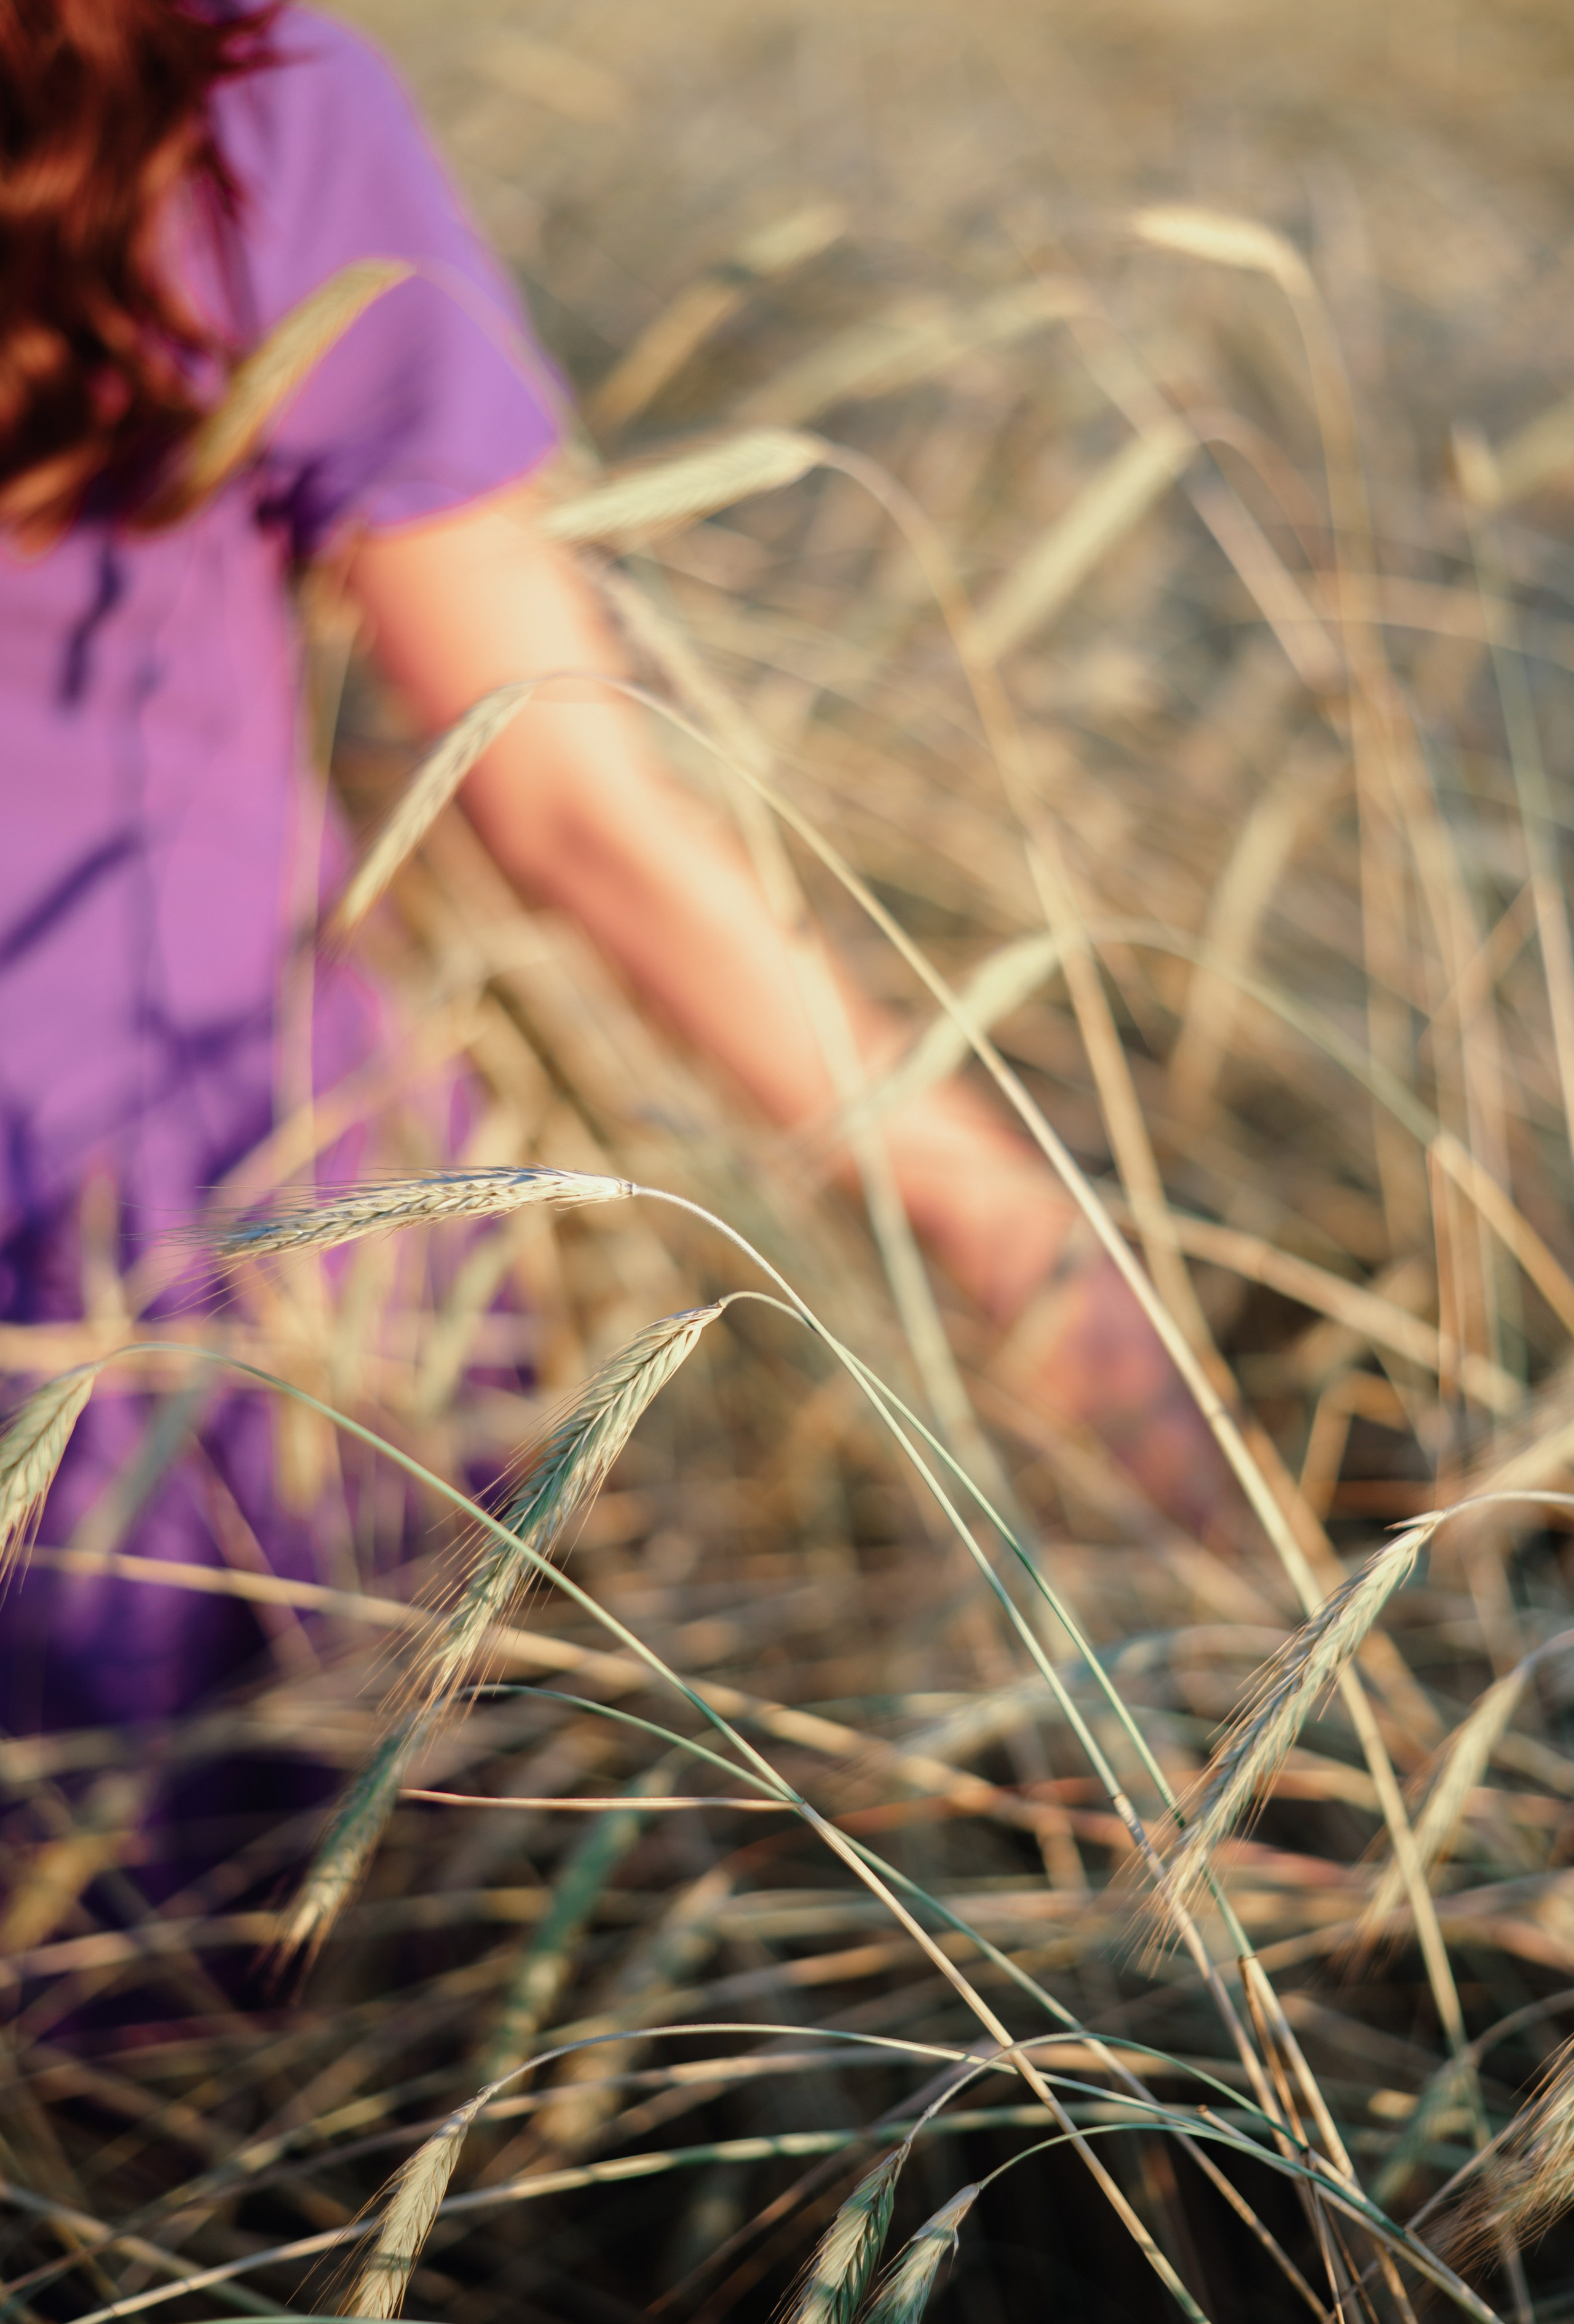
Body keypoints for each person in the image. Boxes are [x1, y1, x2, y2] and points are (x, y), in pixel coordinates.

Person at [0, 0, 1220, 1739]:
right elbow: (567, 794)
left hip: (163, 1279)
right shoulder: (225, 104)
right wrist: (1002, 1226)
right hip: (180, 1282)